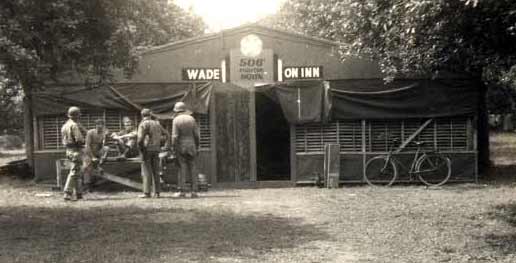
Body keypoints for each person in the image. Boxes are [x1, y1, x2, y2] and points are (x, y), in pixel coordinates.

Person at [137, 108, 169, 198]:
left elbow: (140, 139)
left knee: (146, 171)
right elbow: (167, 134)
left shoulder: (143, 124)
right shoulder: (157, 123)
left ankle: (147, 193)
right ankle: (157, 192)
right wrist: (165, 146)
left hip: (147, 150)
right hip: (156, 149)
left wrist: (141, 148)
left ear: (142, 115)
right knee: (156, 170)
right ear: (150, 115)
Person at [171, 102, 200, 198]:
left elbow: (175, 137)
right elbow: (197, 135)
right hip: (192, 146)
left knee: (181, 168)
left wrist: (173, 147)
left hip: (181, 146)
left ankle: (182, 191)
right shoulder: (192, 119)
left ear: (176, 110)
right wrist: (197, 146)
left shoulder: (176, 120)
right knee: (193, 168)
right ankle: (194, 191)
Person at [61, 106, 87, 201]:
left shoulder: (65, 125)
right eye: (78, 115)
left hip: (68, 150)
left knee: (77, 172)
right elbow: (79, 140)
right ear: (76, 116)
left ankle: (79, 193)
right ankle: (67, 193)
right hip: (76, 150)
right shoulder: (74, 125)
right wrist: (85, 143)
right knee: (75, 172)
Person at [82, 119, 110, 192]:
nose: (100, 126)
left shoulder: (103, 134)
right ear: (95, 126)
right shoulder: (90, 132)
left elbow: (103, 145)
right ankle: (87, 186)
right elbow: (87, 146)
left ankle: (98, 166)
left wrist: (106, 137)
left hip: (98, 152)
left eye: (101, 125)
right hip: (89, 152)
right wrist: (92, 157)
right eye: (98, 124)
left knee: (106, 148)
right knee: (87, 166)